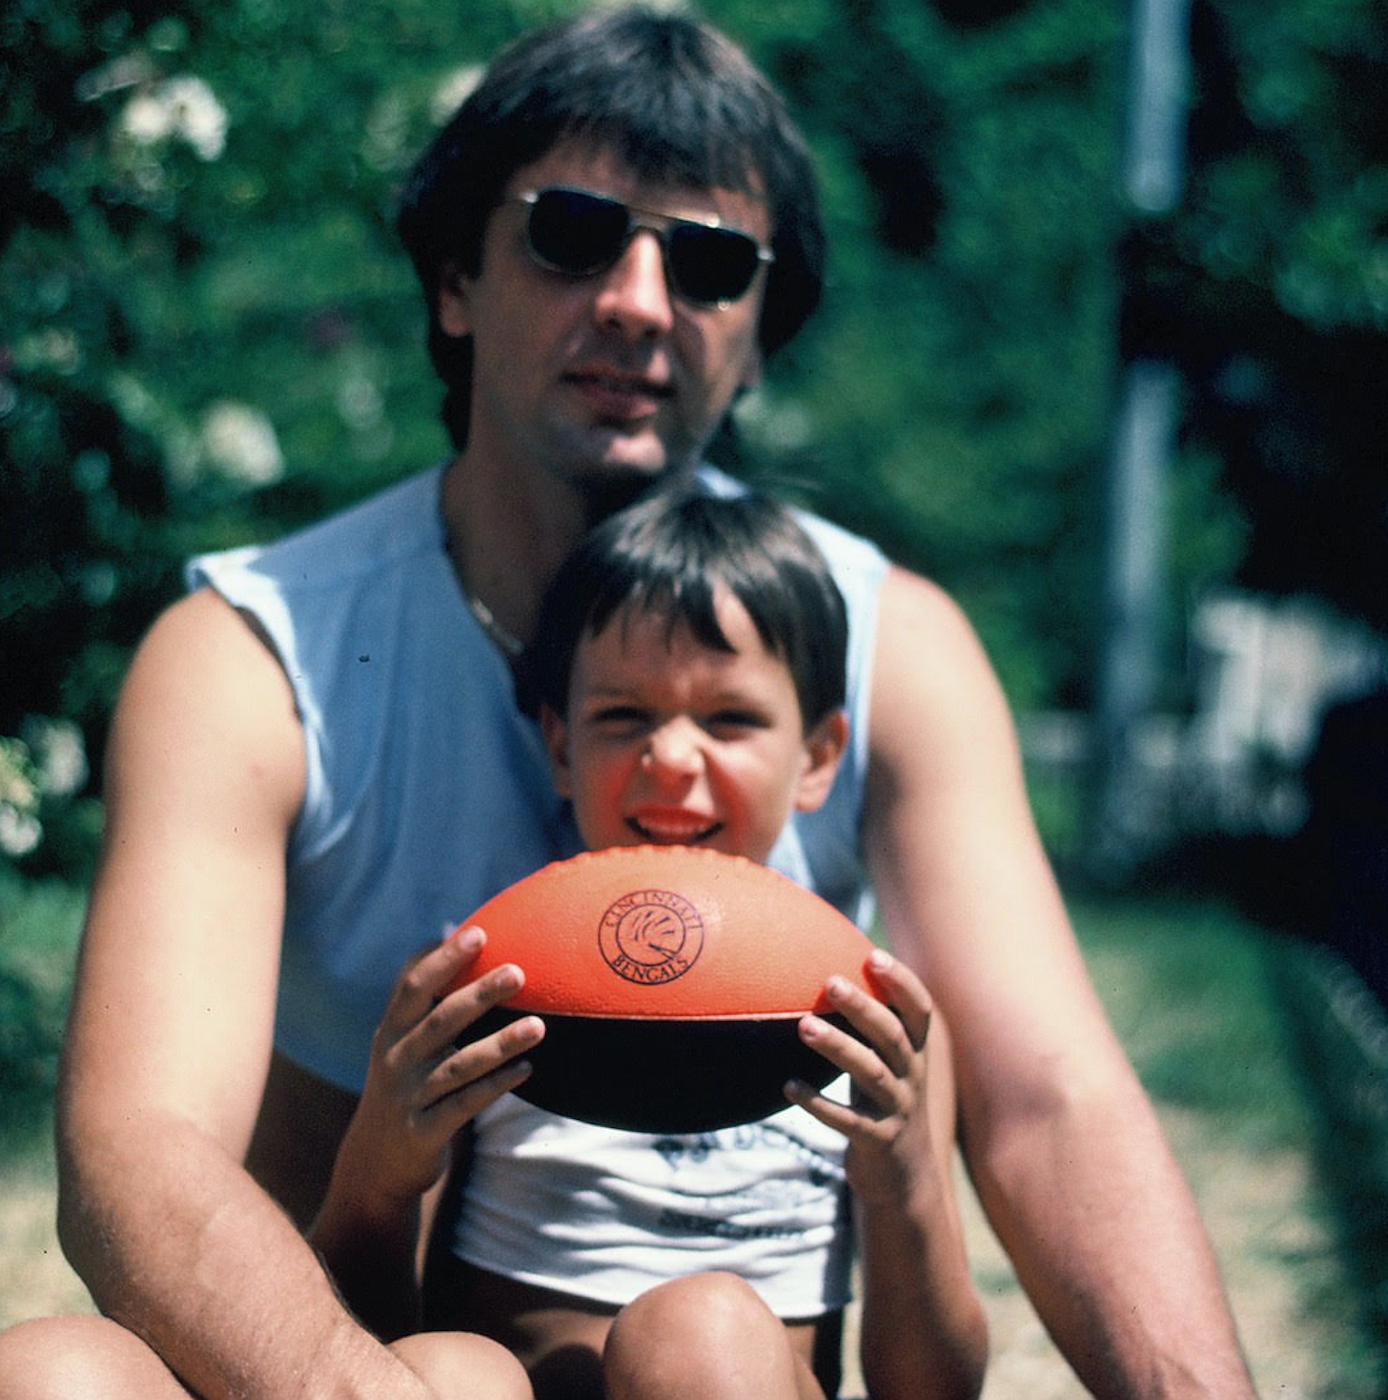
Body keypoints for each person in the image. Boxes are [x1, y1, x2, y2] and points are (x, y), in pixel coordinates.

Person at [0, 7, 1256, 1398]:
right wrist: (360, 1392)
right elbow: (141, 1150)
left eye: (713, 262)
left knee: (703, 1351)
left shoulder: (886, 641)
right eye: (573, 233)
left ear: (758, 338)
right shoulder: (253, 655)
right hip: (360, 1359)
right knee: (52, 1373)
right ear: (456, 279)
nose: (643, 300)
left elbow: (1047, 1103)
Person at [309, 486, 989, 1400]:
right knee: (446, 1371)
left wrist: (901, 1185)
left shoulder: (872, 1019)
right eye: (622, 717)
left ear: (821, 756)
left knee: (696, 1331)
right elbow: (353, 1333)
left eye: (730, 719)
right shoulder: (479, 984)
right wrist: (380, 1176)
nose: (670, 757)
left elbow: (933, 1388)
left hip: (731, 1379)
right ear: (558, 744)